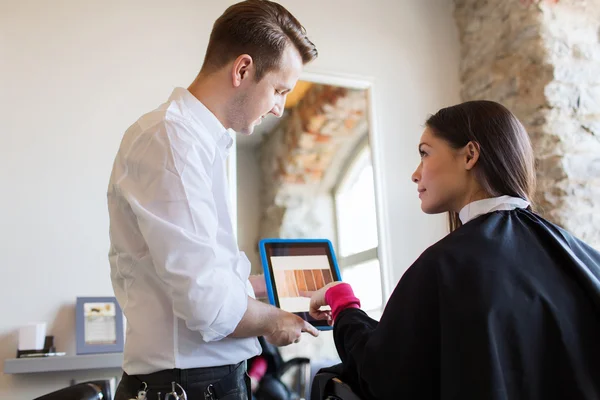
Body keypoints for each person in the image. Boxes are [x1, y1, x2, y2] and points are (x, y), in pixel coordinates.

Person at [308, 100, 600, 400]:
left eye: (425, 153)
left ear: (470, 155)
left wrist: (342, 303)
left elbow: (385, 374)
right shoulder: (580, 256)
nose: (415, 173)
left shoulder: (445, 265)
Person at [107, 1, 319, 399]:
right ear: (242, 70)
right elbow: (207, 302)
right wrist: (276, 321)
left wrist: (279, 289)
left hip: (203, 381)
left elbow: (209, 276)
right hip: (184, 386)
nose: (279, 108)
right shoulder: (171, 140)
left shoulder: (201, 142)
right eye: (278, 90)